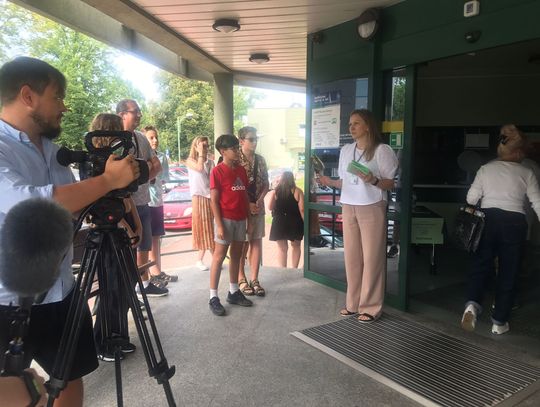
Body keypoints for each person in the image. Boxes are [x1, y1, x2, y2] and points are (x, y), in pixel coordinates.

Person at [0, 56, 139, 406]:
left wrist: (111, 195)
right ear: (28, 96)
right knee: (13, 393)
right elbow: (32, 204)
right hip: (6, 299)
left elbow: (72, 204)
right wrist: (107, 181)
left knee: (71, 376)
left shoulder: (53, 151)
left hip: (62, 289)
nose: (64, 106)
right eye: (57, 96)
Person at [319, 109, 398, 323]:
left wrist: (373, 180)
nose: (351, 127)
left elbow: (390, 183)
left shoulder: (383, 150)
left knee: (372, 258)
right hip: (349, 204)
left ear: (368, 126)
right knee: (352, 257)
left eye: (356, 123)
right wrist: (329, 182)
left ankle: (371, 307)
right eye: (350, 123)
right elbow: (345, 181)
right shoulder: (346, 150)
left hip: (372, 204)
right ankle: (353, 303)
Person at [461, 124, 540, 335]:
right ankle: (499, 321)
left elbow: (471, 199)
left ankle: (472, 305)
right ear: (520, 152)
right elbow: (537, 203)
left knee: (481, 265)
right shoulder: (527, 172)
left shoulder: (486, 169)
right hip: (514, 223)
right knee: (509, 271)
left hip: (487, 221)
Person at [116, 99, 168, 297]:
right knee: (126, 249)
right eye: (135, 111)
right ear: (122, 114)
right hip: (123, 206)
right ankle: (129, 290)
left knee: (144, 244)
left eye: (139, 111)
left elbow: (157, 166)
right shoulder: (114, 140)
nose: (139, 115)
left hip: (143, 201)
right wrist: (143, 170)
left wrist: (137, 177)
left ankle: (143, 285)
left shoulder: (141, 138)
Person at [208, 134, 253, 316]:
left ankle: (234, 292)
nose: (236, 151)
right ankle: (213, 297)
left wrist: (249, 221)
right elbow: (214, 201)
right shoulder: (217, 171)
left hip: (241, 219)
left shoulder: (241, 171)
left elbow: (245, 197)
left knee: (237, 256)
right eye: (233, 148)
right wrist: (219, 225)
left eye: (237, 147)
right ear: (222, 151)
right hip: (225, 220)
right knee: (219, 257)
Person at [237, 126, 269, 297]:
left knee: (256, 241)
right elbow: (232, 187)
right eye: (251, 139)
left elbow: (266, 183)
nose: (255, 142)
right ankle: (241, 278)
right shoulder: (234, 160)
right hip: (241, 208)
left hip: (257, 206)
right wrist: (248, 204)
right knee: (241, 243)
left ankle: (254, 279)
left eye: (256, 138)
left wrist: (260, 199)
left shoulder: (261, 160)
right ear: (241, 140)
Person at [144, 125, 177, 283]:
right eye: (151, 137)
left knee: (156, 237)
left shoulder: (162, 157)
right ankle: (151, 273)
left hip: (157, 201)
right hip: (145, 202)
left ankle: (157, 270)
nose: (155, 140)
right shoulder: (141, 157)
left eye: (156, 137)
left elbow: (163, 178)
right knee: (146, 240)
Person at [186, 136, 215, 270]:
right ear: (195, 146)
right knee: (202, 228)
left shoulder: (209, 162)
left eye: (206, 145)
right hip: (198, 197)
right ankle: (200, 259)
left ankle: (214, 256)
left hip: (209, 197)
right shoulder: (190, 161)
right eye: (202, 145)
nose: (205, 148)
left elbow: (212, 179)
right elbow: (198, 168)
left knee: (211, 227)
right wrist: (201, 155)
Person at [268, 171, 304, 268]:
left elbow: (270, 207)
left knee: (282, 249)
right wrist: (305, 222)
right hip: (295, 222)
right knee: (296, 246)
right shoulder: (298, 191)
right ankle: (294, 268)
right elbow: (302, 209)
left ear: (282, 179)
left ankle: (283, 270)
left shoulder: (276, 191)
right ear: (292, 179)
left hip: (279, 222)